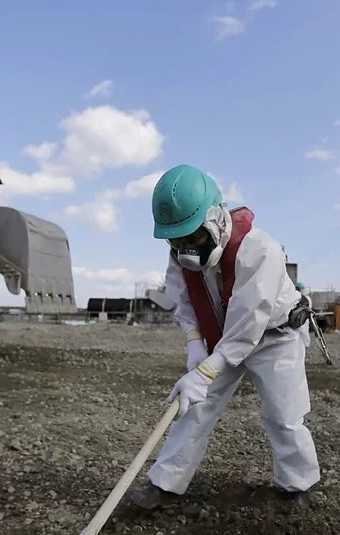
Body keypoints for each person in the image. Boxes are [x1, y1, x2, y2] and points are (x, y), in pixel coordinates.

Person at [127, 164, 320, 509]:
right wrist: (193, 343)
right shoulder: (180, 257)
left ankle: (296, 488)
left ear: (215, 219)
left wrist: (205, 370)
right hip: (222, 339)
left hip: (276, 335)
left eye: (193, 237)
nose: (186, 249)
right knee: (192, 406)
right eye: (177, 240)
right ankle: (165, 485)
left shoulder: (259, 250)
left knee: (283, 413)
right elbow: (182, 302)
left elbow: (249, 322)